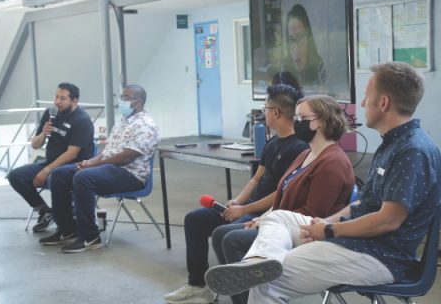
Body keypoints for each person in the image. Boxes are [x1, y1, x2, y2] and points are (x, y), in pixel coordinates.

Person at [204, 62, 441, 304]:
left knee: (266, 283)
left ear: (383, 103)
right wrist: (326, 222)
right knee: (277, 217)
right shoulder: (392, 143)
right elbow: (364, 203)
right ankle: (259, 262)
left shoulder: (413, 150)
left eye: (367, 97)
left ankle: (260, 270)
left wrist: (329, 230)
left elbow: (388, 220)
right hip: (359, 241)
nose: (362, 104)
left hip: (377, 254)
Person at [163, 78, 309, 304]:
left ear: (277, 113)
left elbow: (282, 193)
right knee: (194, 220)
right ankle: (198, 286)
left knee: (227, 233)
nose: (264, 113)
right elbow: (257, 178)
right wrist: (237, 202)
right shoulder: (273, 143)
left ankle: (246, 298)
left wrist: (244, 210)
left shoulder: (298, 147)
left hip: (269, 212)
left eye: (266, 109)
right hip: (248, 207)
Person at [211, 94, 356, 304]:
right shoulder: (307, 153)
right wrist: (265, 218)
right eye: (296, 117)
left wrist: (269, 220)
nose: (297, 123)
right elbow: (282, 194)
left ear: (322, 121)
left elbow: (312, 214)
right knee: (220, 233)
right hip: (280, 222)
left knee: (233, 240)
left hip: (307, 230)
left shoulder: (333, 163)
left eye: (302, 117)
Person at [39, 84, 160, 253]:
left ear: (138, 102)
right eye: (121, 96)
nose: (121, 101)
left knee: (83, 178)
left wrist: (95, 165)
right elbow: (108, 152)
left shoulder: (146, 125)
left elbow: (126, 157)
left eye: (125, 98)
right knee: (59, 174)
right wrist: (90, 161)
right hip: (110, 168)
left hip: (130, 174)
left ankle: (90, 237)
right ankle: (67, 230)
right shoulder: (122, 122)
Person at [7, 82, 94, 232]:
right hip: (51, 163)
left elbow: (72, 153)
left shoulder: (82, 121)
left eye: (63, 98)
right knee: (15, 176)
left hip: (73, 167)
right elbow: (35, 145)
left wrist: (46, 170)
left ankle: (66, 225)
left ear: (74, 101)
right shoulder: (50, 113)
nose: (57, 102)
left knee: (55, 178)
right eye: (56, 97)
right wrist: (43, 133)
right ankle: (45, 211)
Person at [281, 4, 326, 92]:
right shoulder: (284, 68)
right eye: (291, 39)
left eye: (300, 37)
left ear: (308, 38)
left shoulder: (319, 65)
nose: (296, 49)